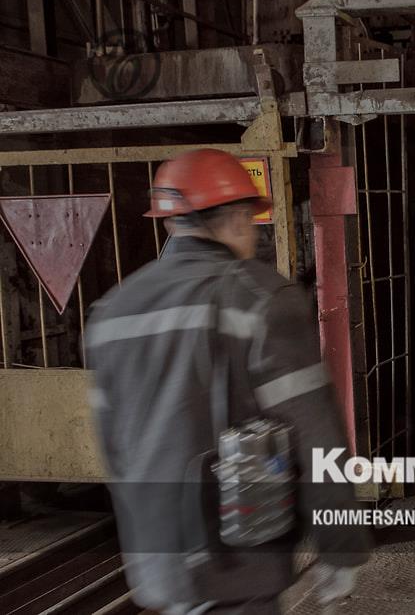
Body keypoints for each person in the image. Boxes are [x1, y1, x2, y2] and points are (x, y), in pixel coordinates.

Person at [86, 149, 371, 614]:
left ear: (170, 222)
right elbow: (315, 433)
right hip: (236, 556)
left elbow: (113, 445)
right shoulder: (259, 298)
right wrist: (340, 545)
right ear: (239, 218)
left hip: (157, 557)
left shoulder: (111, 310)